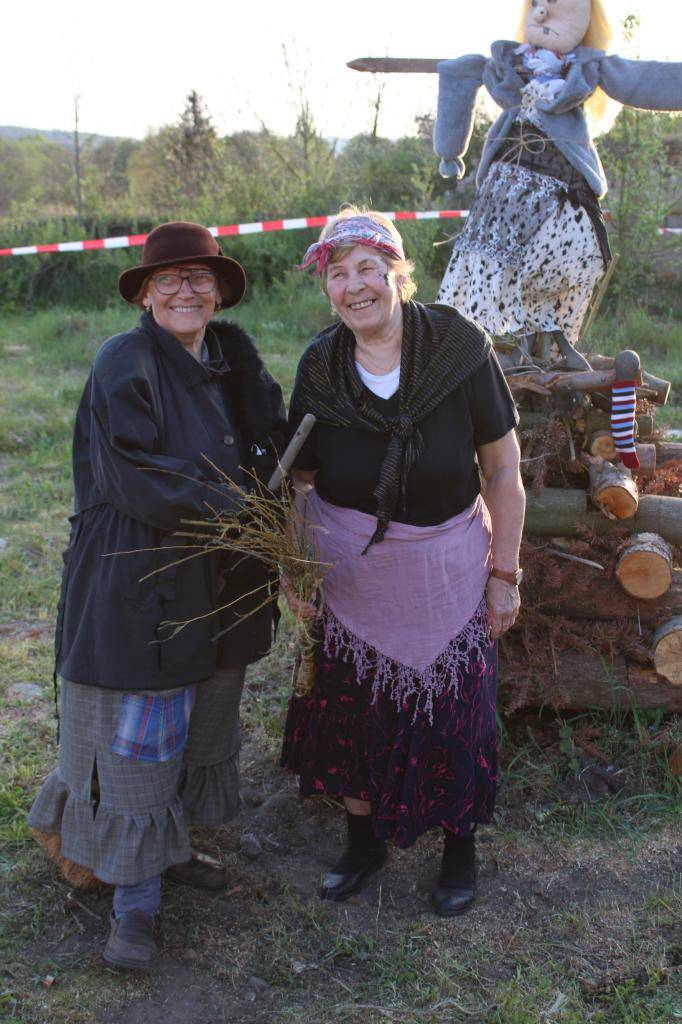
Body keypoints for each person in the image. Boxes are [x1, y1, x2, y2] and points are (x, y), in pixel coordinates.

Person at [28, 221, 286, 969]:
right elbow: (136, 475)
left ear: (219, 291)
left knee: (200, 716)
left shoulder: (231, 359)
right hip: (141, 579)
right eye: (167, 278)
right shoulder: (125, 362)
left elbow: (271, 436)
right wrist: (244, 506)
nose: (185, 288)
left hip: (225, 581)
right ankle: (132, 907)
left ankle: (168, 855)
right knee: (142, 735)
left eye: (199, 277)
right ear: (144, 294)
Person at [280, 208, 525, 916]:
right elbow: (301, 479)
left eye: (367, 269)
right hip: (350, 571)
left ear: (398, 274)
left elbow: (504, 469)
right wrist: (298, 567)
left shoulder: (458, 347)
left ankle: (458, 848)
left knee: (456, 715)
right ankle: (363, 843)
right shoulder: (320, 365)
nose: (355, 287)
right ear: (326, 288)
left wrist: (505, 575)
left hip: (449, 564)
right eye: (337, 273)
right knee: (354, 716)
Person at [434, 0, 682, 368]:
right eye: (537, 3)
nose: (543, 13)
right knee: (501, 259)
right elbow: (458, 73)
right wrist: (450, 149)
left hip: (561, 185)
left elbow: (644, 79)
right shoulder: (508, 63)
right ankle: (520, 343)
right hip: (507, 191)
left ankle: (558, 340)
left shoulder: (585, 69)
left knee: (563, 255)